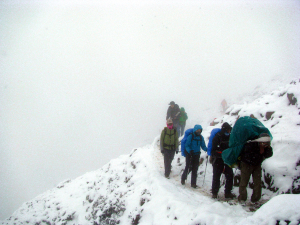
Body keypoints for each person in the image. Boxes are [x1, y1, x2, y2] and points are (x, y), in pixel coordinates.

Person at [238, 133, 273, 203]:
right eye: (264, 143)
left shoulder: (265, 147)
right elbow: (247, 156)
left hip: (257, 165)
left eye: (267, 144)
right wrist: (259, 153)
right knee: (244, 182)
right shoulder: (251, 145)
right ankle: (242, 198)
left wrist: (268, 148)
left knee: (258, 183)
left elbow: (269, 154)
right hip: (246, 164)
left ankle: (255, 199)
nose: (265, 145)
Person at [211, 122, 235, 199]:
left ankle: (228, 193)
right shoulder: (217, 137)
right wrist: (221, 154)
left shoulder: (230, 137)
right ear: (224, 129)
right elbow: (213, 151)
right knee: (217, 176)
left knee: (230, 176)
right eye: (228, 130)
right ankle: (215, 193)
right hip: (218, 160)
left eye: (229, 130)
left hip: (227, 160)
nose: (229, 132)